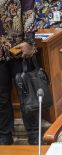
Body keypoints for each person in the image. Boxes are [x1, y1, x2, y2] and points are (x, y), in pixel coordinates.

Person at [0, 0, 39, 145]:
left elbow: (29, 9)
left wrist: (29, 41)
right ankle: (4, 135)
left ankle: (34, 134)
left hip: (19, 49)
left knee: (26, 95)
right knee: (1, 98)